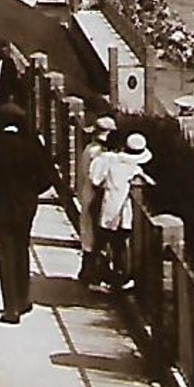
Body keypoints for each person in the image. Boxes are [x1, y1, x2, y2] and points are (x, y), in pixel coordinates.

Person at [0, 103, 57, 323]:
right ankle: (23, 299)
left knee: (5, 258)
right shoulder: (32, 147)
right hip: (26, 209)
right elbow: (48, 178)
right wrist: (30, 194)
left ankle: (11, 309)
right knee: (22, 251)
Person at [89, 129, 155, 292]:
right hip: (120, 209)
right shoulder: (131, 167)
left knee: (103, 243)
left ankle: (98, 278)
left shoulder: (109, 160)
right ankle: (119, 278)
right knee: (119, 245)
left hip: (109, 205)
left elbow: (96, 180)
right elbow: (150, 182)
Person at [75, 115, 117, 286]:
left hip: (86, 194)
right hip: (95, 196)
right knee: (96, 233)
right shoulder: (98, 153)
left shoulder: (89, 149)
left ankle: (87, 270)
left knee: (88, 234)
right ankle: (94, 271)